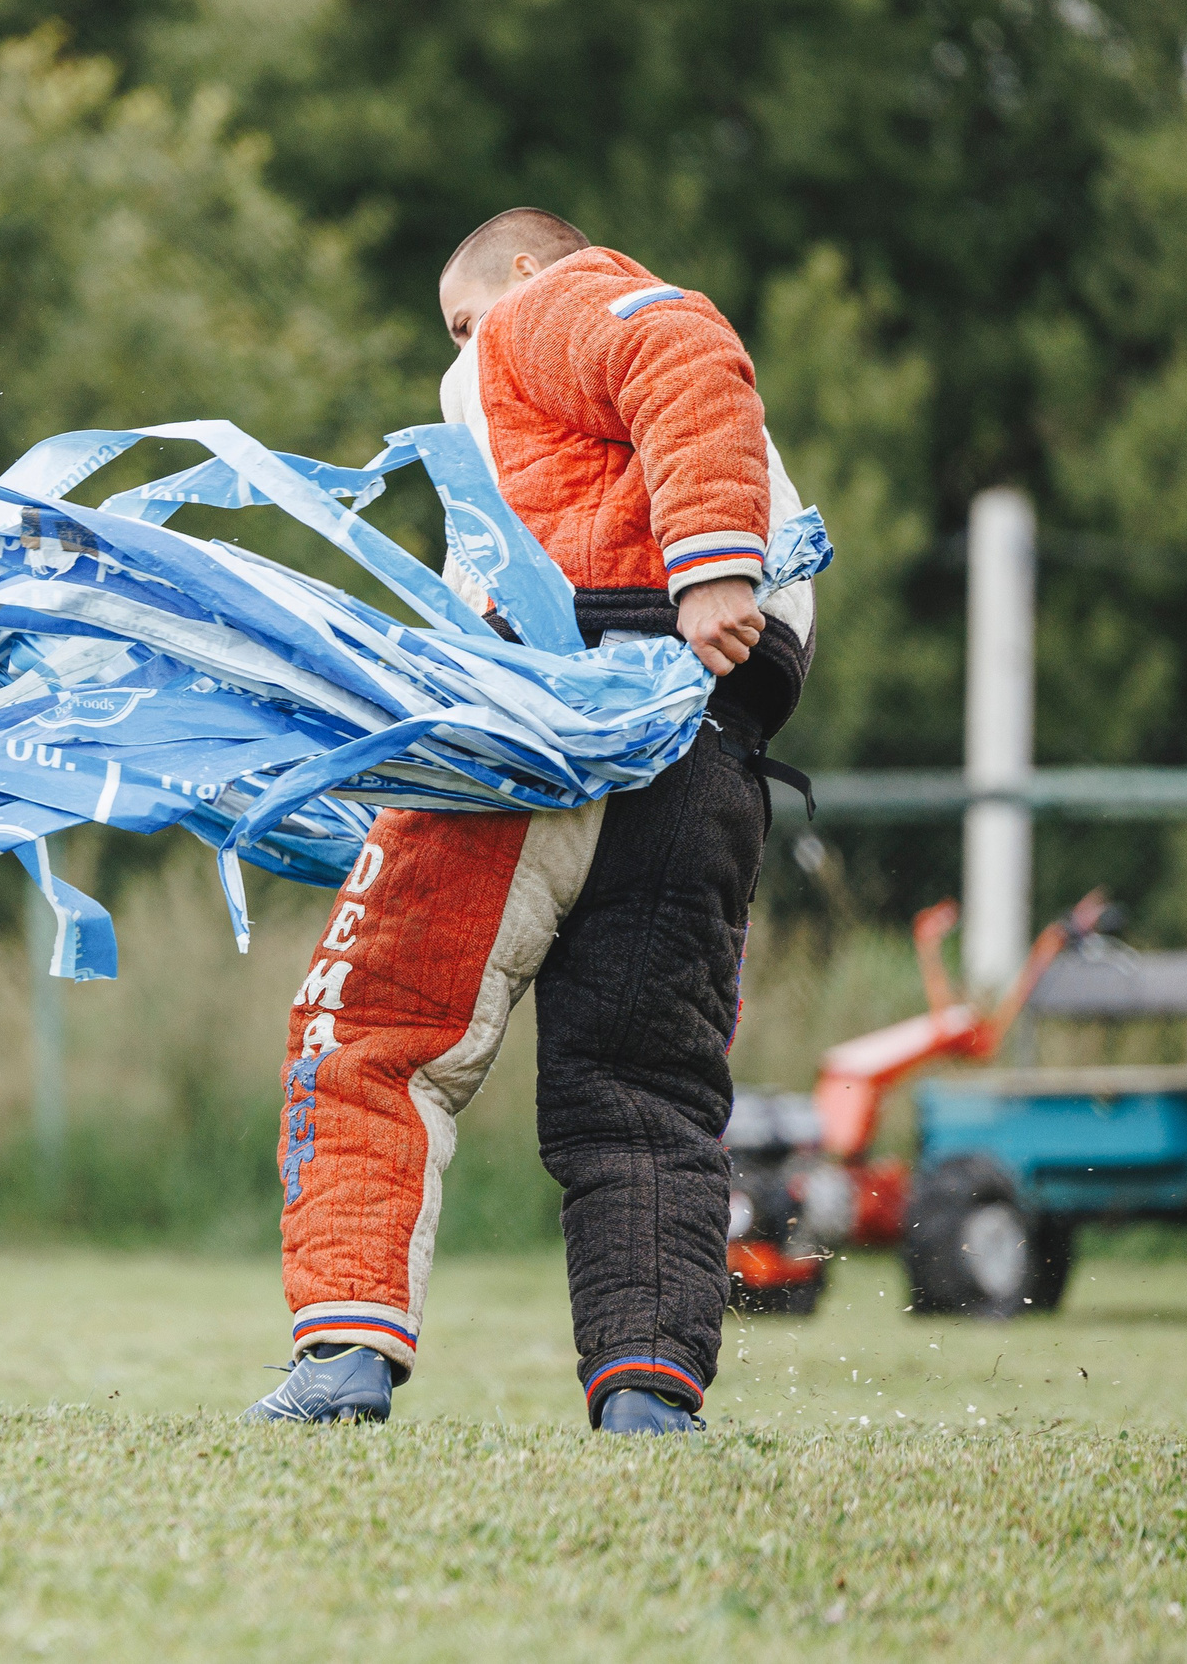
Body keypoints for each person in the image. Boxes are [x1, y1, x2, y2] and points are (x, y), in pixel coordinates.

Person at [244, 209, 817, 1434]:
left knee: (371, 1038)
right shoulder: (635, 434)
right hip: (709, 760)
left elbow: (675, 341)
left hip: (544, 731)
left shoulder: (554, 304)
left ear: (519, 272)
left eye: (461, 322)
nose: (463, 354)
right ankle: (647, 1398)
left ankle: (343, 1357)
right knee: (645, 1091)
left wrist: (710, 564)